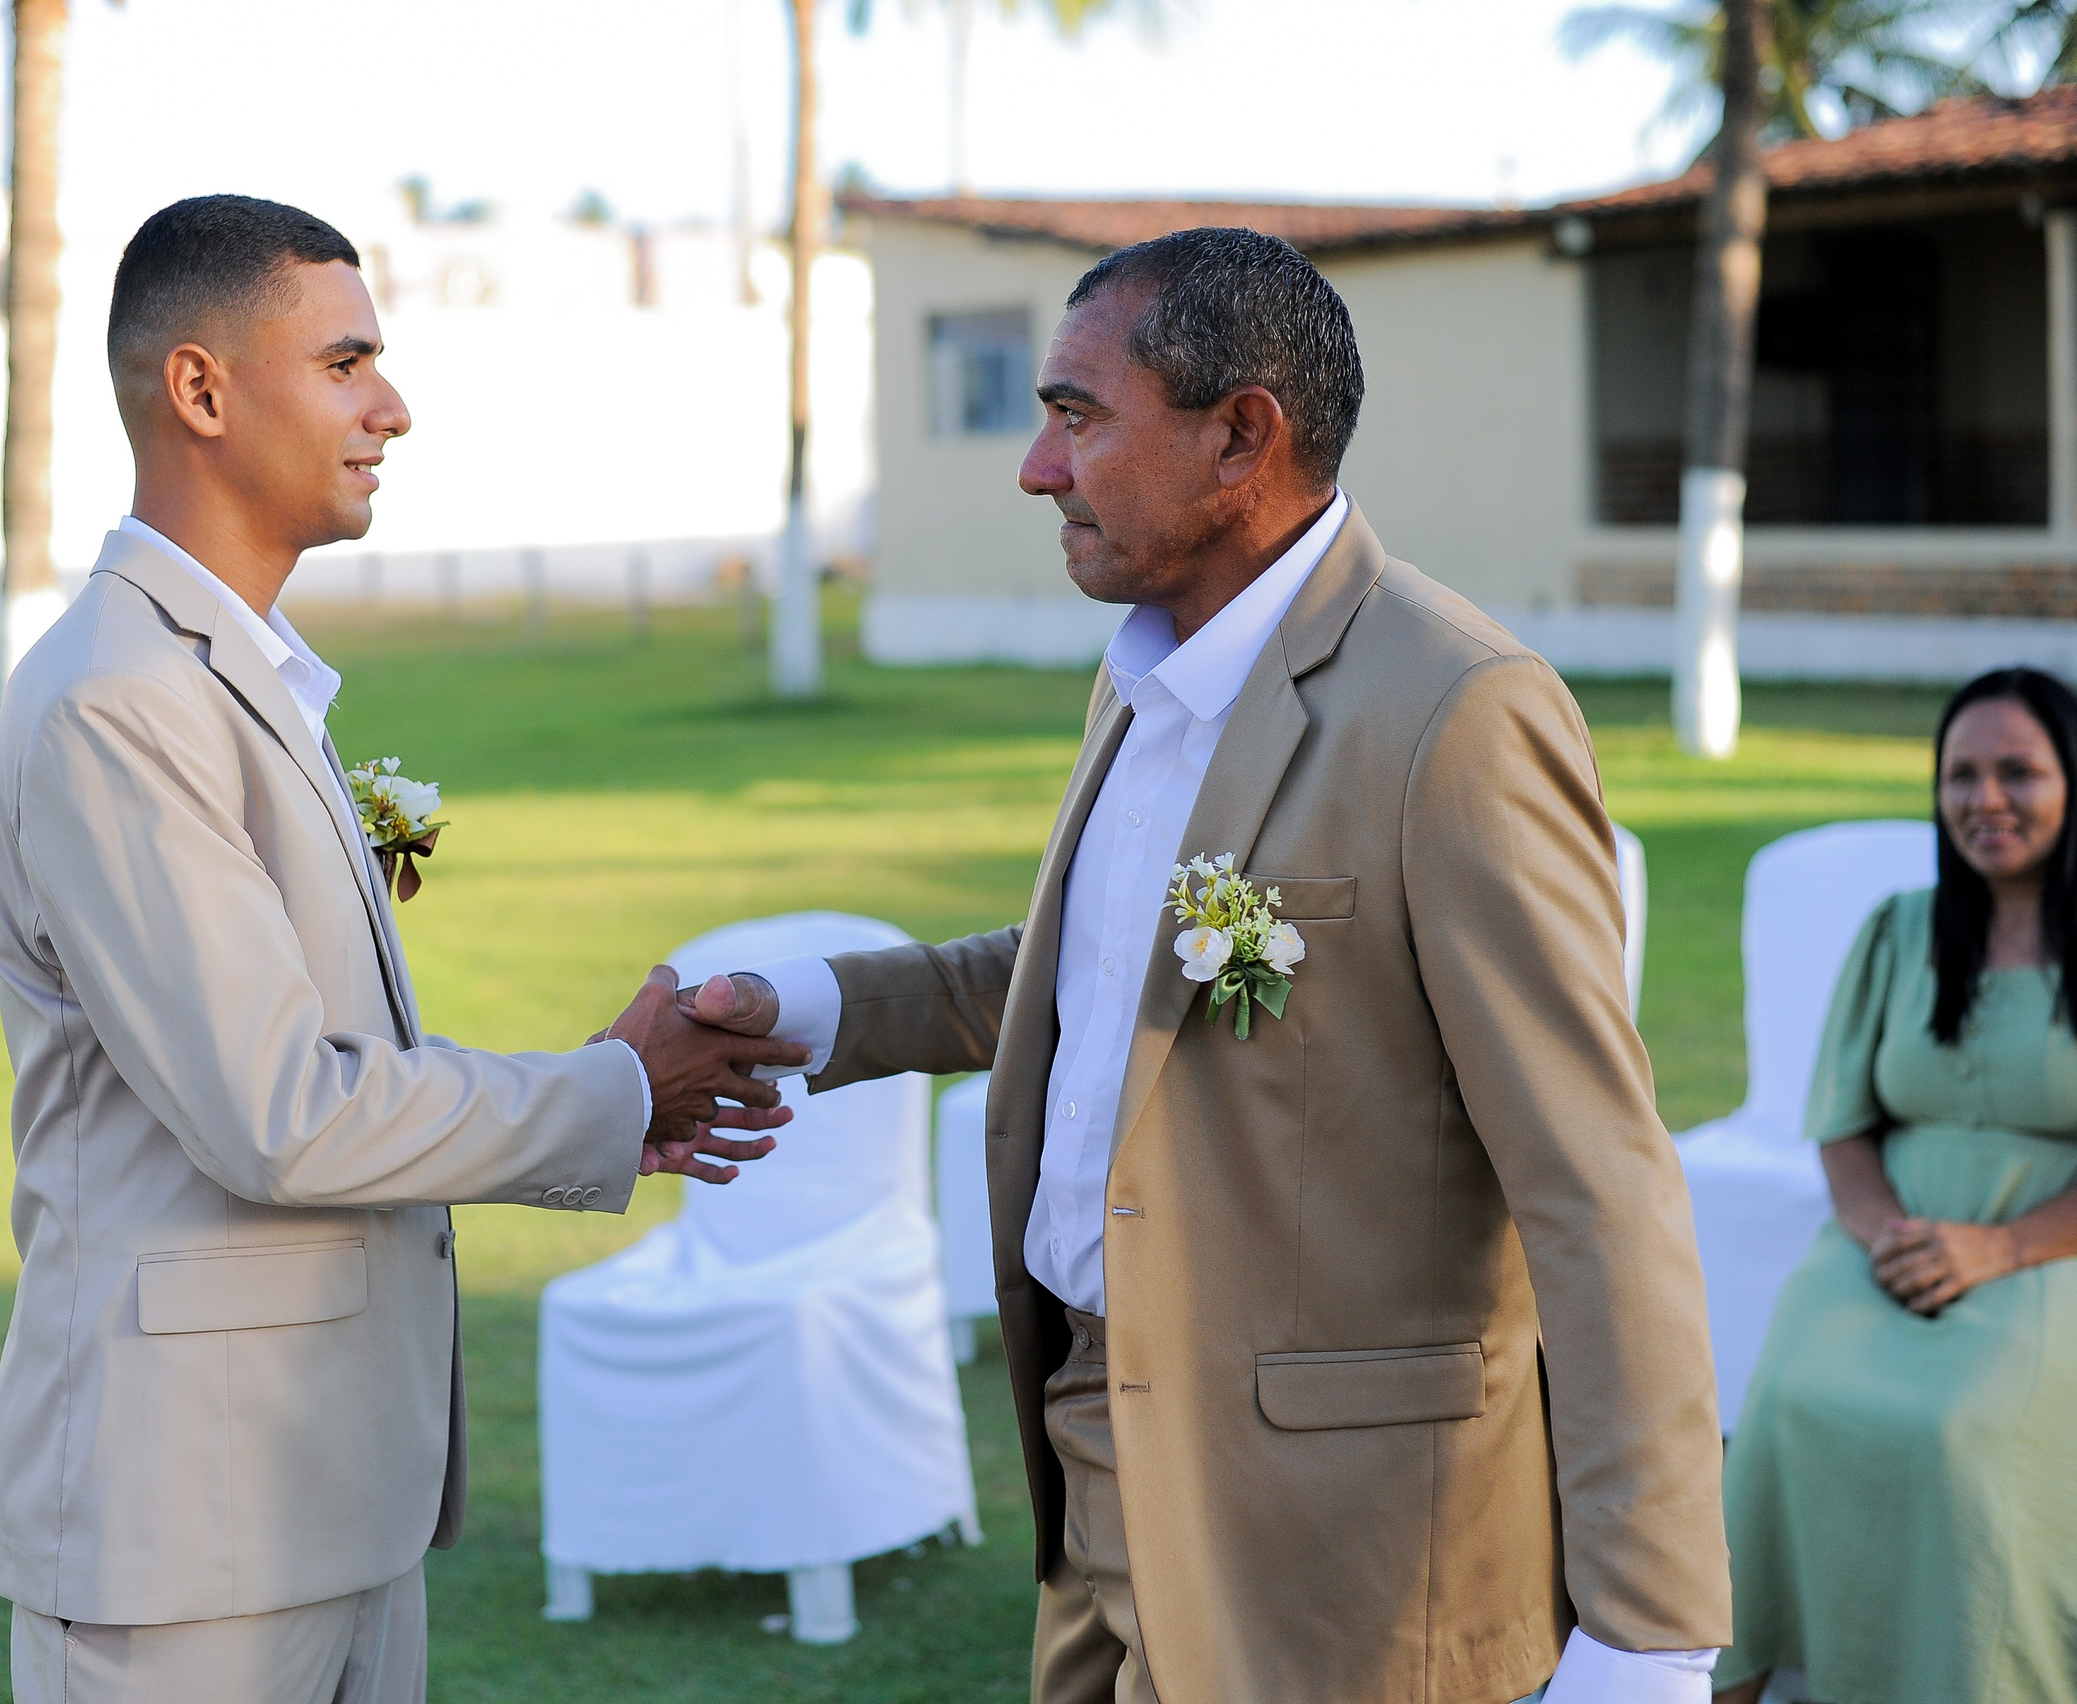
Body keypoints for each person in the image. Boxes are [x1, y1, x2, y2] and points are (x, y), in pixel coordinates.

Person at [682, 226, 1732, 1703]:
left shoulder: (1455, 711)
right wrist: (806, 1006)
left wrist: (1650, 1635)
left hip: (1345, 1548)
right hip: (1093, 1460)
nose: (1040, 470)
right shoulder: (1146, 670)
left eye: (1077, 417)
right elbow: (1101, 977)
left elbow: (1598, 1185)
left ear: (1242, 434)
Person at [0, 195, 807, 1704]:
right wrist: (617, 1087)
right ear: (204, 392)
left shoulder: (234, 678)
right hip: (187, 1536)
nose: (393, 408)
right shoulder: (118, 700)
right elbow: (282, 1111)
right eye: (349, 361)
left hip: (324, 1498)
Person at [1712, 667, 2077, 1704]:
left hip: (2060, 1248)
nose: (1985, 800)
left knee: (1959, 1439)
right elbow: (1842, 1123)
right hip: (1884, 1238)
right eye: (1960, 774)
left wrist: (1996, 1248)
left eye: (2018, 772)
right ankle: (1719, 1685)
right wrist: (1885, 1236)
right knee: (1788, 1401)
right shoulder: (1898, 931)